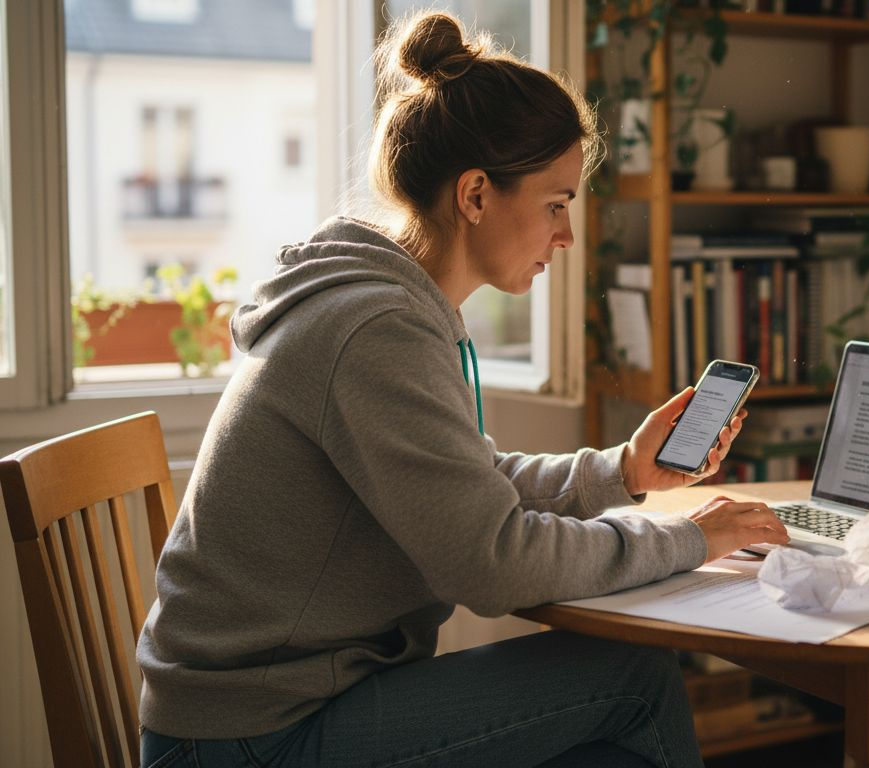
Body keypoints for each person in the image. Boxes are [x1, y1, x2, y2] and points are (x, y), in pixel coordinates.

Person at [136, 11, 788, 768]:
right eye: (556, 204)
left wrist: (622, 473)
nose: (566, 237)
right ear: (476, 195)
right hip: (256, 735)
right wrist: (690, 540)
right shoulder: (374, 330)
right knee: (634, 683)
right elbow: (493, 561)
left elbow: (465, 486)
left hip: (265, 709)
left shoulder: (384, 306)